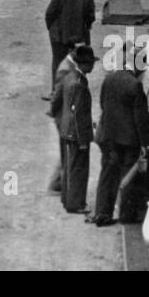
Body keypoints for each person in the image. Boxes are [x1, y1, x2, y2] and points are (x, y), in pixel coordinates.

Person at [91, 42, 149, 227]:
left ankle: (102, 213)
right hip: (128, 140)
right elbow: (140, 118)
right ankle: (127, 214)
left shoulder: (110, 78)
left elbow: (102, 104)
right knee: (128, 176)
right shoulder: (135, 86)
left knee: (108, 174)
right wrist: (145, 143)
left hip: (108, 135)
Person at [50, 42, 96, 215]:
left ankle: (68, 199)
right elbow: (78, 114)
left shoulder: (71, 76)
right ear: (84, 64)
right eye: (91, 63)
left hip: (67, 129)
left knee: (70, 167)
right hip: (76, 133)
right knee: (78, 169)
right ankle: (76, 204)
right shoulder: (78, 82)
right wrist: (83, 140)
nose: (93, 66)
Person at [44, 0, 95, 81]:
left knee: (58, 63)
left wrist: (53, 30)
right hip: (79, 37)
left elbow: (49, 15)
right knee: (79, 64)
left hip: (59, 36)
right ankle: (76, 86)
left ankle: (56, 91)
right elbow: (91, 17)